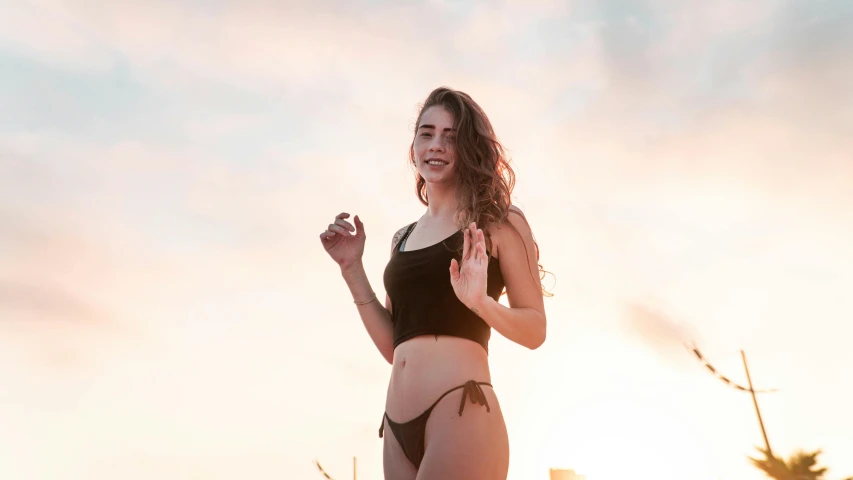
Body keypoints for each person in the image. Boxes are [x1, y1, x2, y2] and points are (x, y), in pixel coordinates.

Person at [319, 86, 550, 479]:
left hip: (461, 410)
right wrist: (351, 269)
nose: (436, 145)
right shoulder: (403, 238)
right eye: (426, 133)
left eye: (451, 136)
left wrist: (481, 304)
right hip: (396, 424)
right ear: (414, 145)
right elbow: (396, 346)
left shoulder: (500, 222)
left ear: (470, 148)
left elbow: (535, 330)